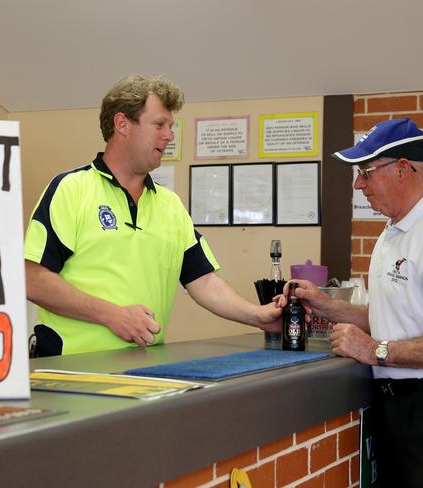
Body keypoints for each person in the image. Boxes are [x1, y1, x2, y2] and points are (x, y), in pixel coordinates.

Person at [24, 74, 281, 356]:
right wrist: (112, 315)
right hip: (69, 371)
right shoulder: (70, 189)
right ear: (122, 124)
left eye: (171, 126)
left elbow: (204, 281)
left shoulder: (169, 204)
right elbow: (33, 279)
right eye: (159, 124)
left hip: (143, 369)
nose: (170, 135)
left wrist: (258, 316)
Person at [283, 118, 423, 486]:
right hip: (395, 408)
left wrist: (375, 351)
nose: (359, 184)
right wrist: (324, 304)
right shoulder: (393, 232)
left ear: (403, 169)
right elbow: (390, 317)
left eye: (367, 172)